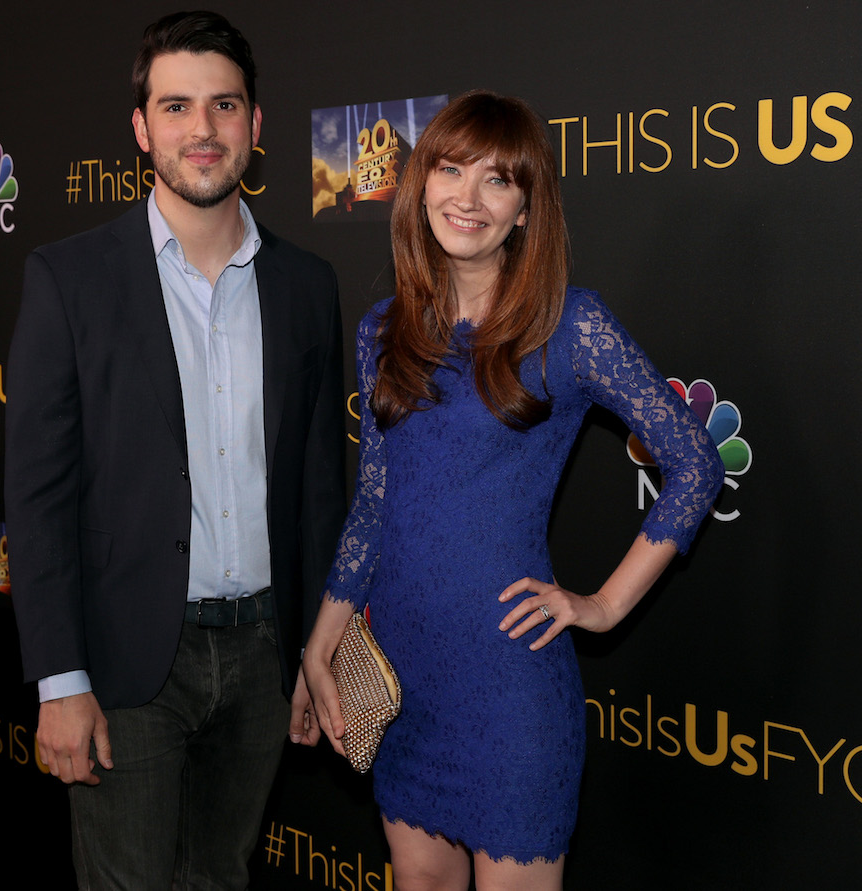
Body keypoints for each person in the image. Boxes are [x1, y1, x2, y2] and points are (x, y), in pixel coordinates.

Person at [300, 91, 725, 891]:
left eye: (498, 180)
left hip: (508, 692)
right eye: (451, 169)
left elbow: (694, 462)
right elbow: (375, 503)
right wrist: (320, 644)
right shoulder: (383, 329)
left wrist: (602, 604)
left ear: (526, 208)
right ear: (419, 182)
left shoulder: (570, 326)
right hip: (400, 676)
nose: (467, 197)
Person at [5, 11, 345, 889]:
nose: (203, 130)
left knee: (221, 877)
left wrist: (317, 648)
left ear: (256, 126)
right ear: (141, 129)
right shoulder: (69, 278)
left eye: (224, 105)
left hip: (267, 654)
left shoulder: (307, 286)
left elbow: (317, 488)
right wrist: (59, 680)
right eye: (177, 106)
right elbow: (38, 497)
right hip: (128, 662)